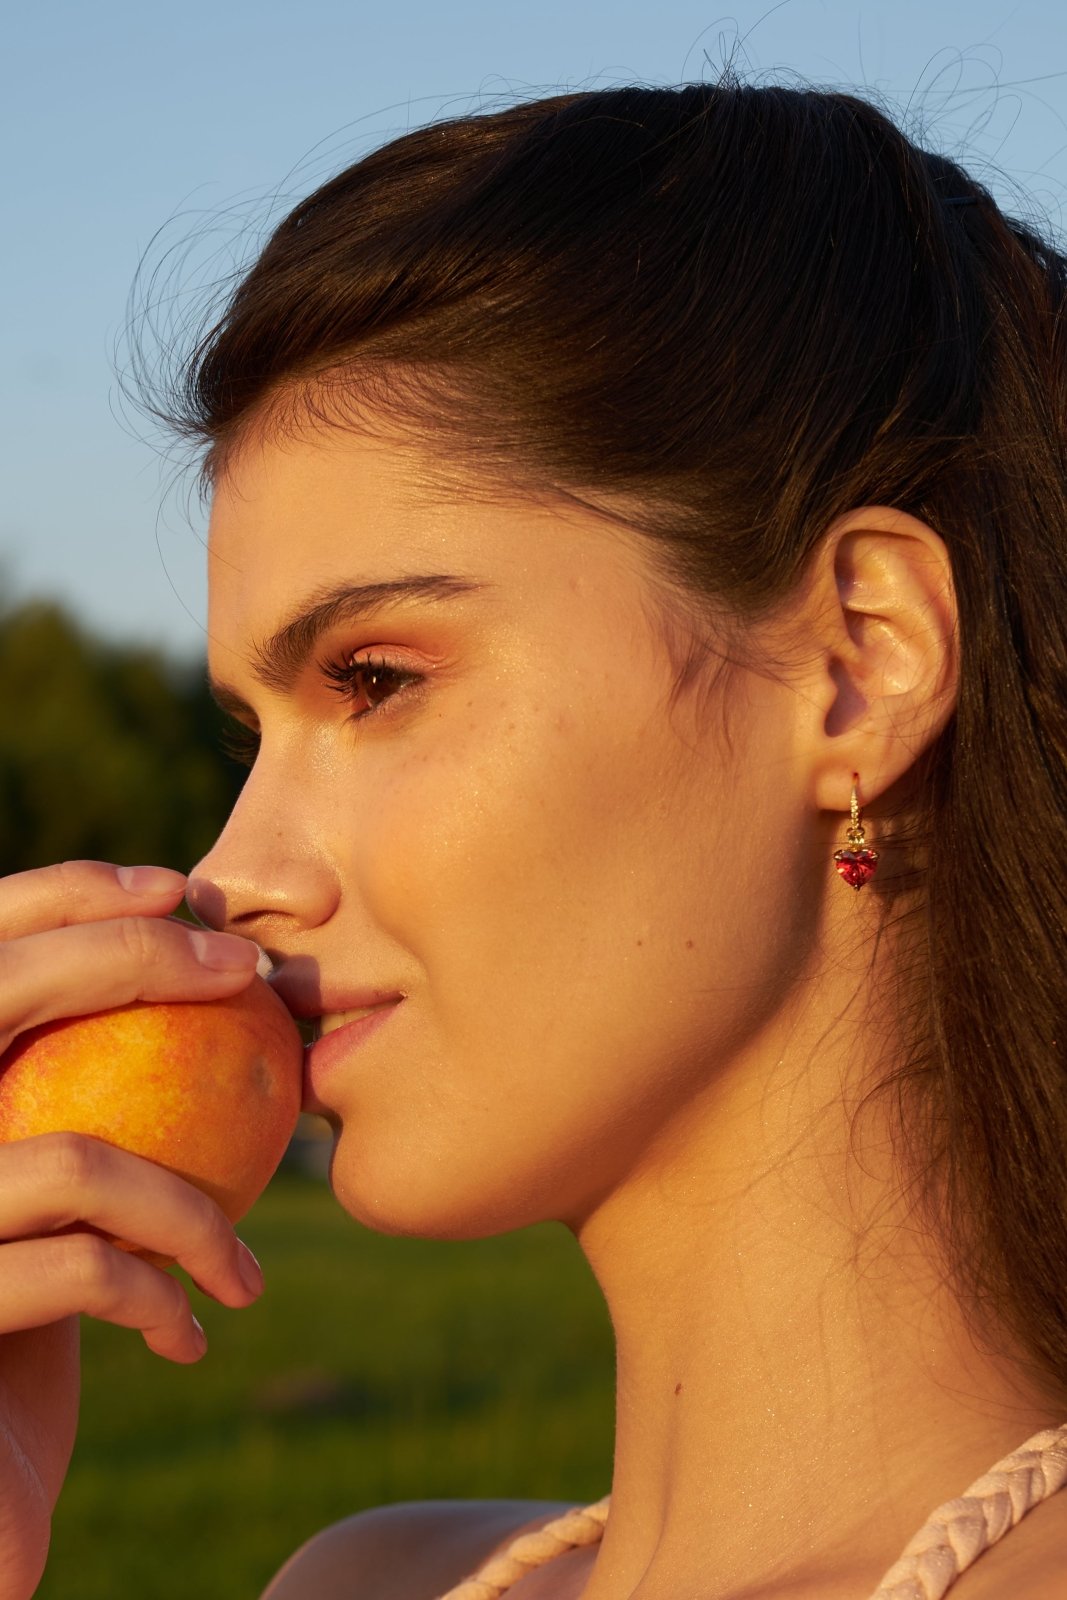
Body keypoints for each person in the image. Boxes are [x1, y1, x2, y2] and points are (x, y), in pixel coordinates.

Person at [1, 78, 1066, 1600]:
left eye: (375, 682)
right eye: (253, 738)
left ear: (859, 664)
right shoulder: (358, 1582)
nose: (235, 880)